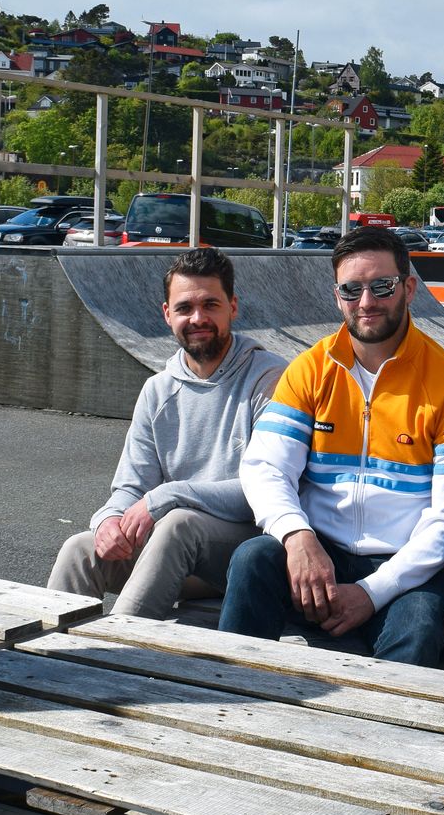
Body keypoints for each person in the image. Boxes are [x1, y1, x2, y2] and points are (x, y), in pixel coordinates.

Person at [219, 226, 444, 665]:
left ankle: (377, 731)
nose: (367, 302)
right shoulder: (310, 369)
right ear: (337, 295)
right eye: (352, 289)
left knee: (419, 628)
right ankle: (226, 697)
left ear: (410, 288)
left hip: (407, 569)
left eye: (382, 285)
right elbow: (264, 466)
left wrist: (371, 591)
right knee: (254, 560)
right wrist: (297, 535)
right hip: (318, 554)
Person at [46, 247, 286, 617]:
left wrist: (168, 496)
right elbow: (131, 486)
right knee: (81, 549)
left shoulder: (270, 379)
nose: (198, 318)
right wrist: (108, 520)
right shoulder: (158, 390)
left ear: (233, 308)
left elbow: (265, 489)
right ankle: (47, 659)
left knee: (178, 523)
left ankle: (121, 654)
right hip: (172, 554)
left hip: (245, 554)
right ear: (166, 314)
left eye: (211, 305)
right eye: (185, 308)